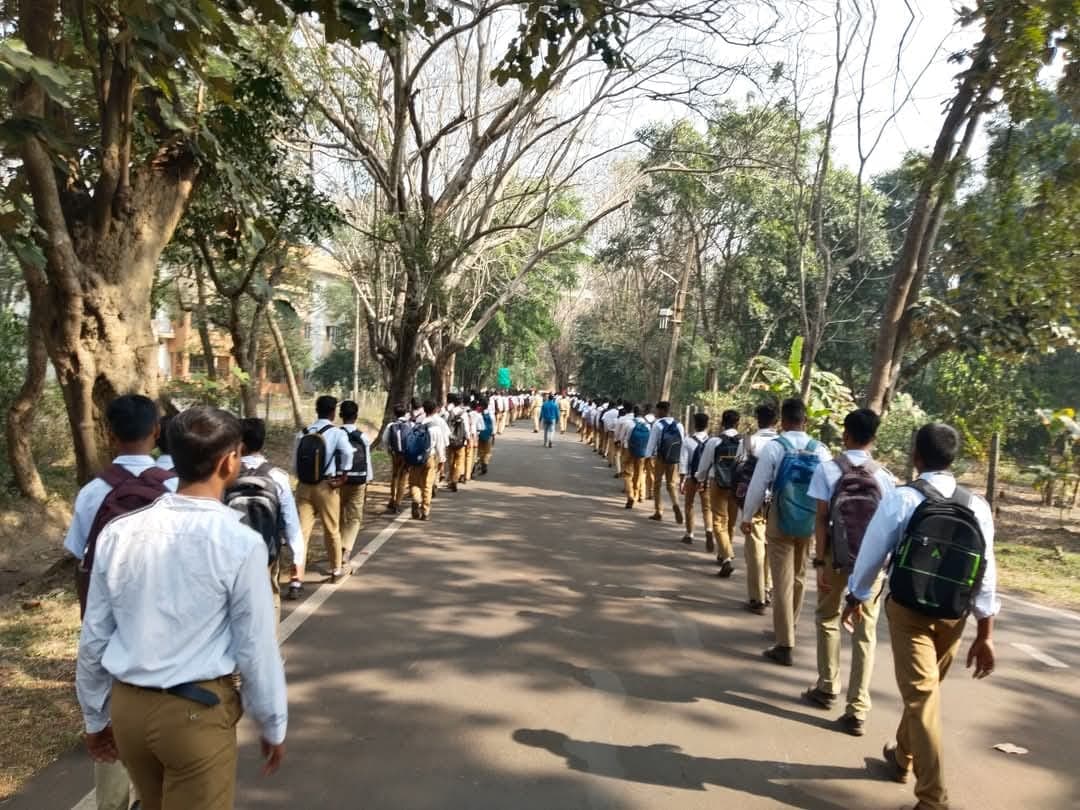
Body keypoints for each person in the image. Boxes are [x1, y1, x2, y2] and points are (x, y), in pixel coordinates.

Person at [76, 406, 287, 810]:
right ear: (229, 461)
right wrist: (272, 722)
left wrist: (95, 716)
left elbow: (94, 636)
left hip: (129, 710)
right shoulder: (239, 542)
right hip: (195, 714)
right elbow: (256, 647)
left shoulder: (119, 533)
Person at [842, 423, 999, 810]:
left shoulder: (902, 499)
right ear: (953, 458)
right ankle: (902, 756)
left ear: (916, 456)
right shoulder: (976, 505)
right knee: (923, 695)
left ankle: (932, 799)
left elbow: (873, 553)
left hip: (909, 611)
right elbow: (988, 570)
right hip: (954, 615)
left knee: (922, 697)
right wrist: (985, 631)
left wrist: (856, 596)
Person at [63, 394, 179, 810]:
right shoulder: (177, 489)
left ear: (109, 435)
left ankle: (112, 801)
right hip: (170, 627)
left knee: (114, 718)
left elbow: (81, 558)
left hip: (112, 626)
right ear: (156, 433)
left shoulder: (93, 492)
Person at [803, 408, 895, 737]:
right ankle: (857, 708)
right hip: (870, 565)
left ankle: (827, 686)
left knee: (827, 617)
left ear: (846, 434)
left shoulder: (828, 469)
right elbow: (886, 527)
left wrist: (818, 562)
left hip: (835, 558)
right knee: (864, 632)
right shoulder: (885, 477)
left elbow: (821, 519)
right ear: (874, 438)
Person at [741, 397, 831, 666]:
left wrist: (747, 516)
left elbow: (759, 484)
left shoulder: (775, 447)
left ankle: (784, 643)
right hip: (810, 518)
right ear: (806, 420)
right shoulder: (822, 450)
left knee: (781, 579)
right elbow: (829, 488)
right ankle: (788, 625)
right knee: (800, 575)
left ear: (783, 420)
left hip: (781, 516)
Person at [235, 418, 305, 615]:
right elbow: (291, 521)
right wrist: (297, 558)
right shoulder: (277, 476)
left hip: (232, 552)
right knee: (270, 596)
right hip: (267, 551)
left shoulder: (226, 473)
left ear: (239, 442)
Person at [295, 395, 354, 582]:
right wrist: (343, 476)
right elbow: (347, 452)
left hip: (304, 486)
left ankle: (296, 577)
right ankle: (336, 569)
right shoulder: (337, 433)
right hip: (326, 486)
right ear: (333, 412)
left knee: (302, 533)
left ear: (316, 410)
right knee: (332, 529)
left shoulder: (303, 433)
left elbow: (293, 464)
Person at [736, 403, 780, 614]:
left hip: (755, 501)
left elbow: (741, 468)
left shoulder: (750, 441)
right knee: (772, 544)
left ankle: (757, 597)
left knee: (754, 547)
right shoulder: (783, 443)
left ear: (757, 419)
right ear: (777, 421)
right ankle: (769, 586)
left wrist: (745, 513)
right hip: (779, 502)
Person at [697, 410, 742, 577]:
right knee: (730, 521)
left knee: (718, 521)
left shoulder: (714, 441)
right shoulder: (744, 442)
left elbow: (704, 465)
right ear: (738, 423)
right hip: (737, 486)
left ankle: (726, 556)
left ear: (723, 423)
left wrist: (700, 479)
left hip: (718, 484)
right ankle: (724, 552)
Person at [338, 401, 374, 562]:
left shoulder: (334, 434)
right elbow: (366, 459)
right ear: (356, 416)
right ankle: (347, 548)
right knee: (354, 517)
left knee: (337, 514)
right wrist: (368, 479)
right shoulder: (362, 437)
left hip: (337, 480)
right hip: (358, 480)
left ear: (340, 415)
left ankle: (337, 545)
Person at [679, 412, 714, 548]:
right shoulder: (712, 441)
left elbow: (683, 462)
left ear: (695, 425)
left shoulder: (687, 441)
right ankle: (709, 530)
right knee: (707, 507)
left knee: (689, 504)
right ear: (707, 425)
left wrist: (682, 480)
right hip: (706, 479)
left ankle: (690, 533)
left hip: (691, 477)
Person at [409, 400, 449, 520]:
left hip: (416, 458)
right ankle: (425, 511)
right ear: (435, 409)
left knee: (414, 482)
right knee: (427, 485)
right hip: (430, 458)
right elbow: (440, 446)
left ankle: (416, 499)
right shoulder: (436, 426)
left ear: (424, 409)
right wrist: (442, 460)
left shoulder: (417, 423)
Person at [647, 401, 685, 524]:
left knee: (657, 484)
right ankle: (675, 504)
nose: (656, 413)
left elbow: (652, 442)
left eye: (657, 410)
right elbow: (682, 443)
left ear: (661, 410)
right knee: (671, 484)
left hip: (661, 457)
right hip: (674, 458)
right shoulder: (679, 424)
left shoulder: (658, 424)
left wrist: (648, 456)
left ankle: (658, 511)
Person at [382, 404, 412, 514]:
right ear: (405, 413)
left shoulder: (391, 425)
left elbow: (385, 440)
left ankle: (392, 499)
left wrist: (389, 451)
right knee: (403, 478)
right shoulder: (410, 424)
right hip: (406, 455)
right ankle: (398, 502)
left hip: (395, 454)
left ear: (395, 413)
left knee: (394, 476)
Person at [444, 394, 469, 492]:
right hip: (461, 442)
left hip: (451, 441)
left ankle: (450, 480)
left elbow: (447, 427)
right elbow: (466, 428)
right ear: (461, 402)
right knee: (459, 462)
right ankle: (455, 479)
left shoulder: (450, 413)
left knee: (450, 461)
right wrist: (467, 438)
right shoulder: (464, 413)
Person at [475, 397, 495, 475]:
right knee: (487, 451)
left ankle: (479, 462)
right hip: (488, 435)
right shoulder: (491, 414)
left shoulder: (478, 414)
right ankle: (485, 463)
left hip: (479, 434)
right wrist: (493, 435)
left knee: (480, 450)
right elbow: (493, 425)